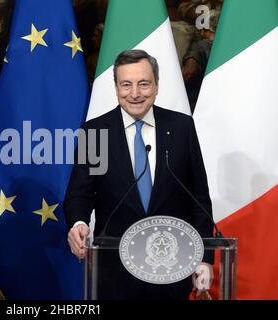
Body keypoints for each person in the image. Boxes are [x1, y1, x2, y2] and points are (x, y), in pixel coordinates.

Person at [64, 49, 214, 299]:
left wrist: (205, 257)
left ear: (156, 86)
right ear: (115, 87)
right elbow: (80, 194)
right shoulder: (96, 132)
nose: (135, 93)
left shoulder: (181, 127)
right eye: (126, 85)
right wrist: (78, 223)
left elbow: (199, 199)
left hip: (171, 269)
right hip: (114, 272)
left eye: (143, 84)